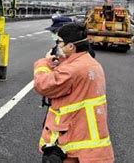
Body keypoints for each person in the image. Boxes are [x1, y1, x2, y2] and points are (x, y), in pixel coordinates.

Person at [33, 23, 114, 163]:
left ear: (70, 46)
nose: (56, 45)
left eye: (59, 42)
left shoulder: (72, 70)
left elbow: (43, 85)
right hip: (89, 141)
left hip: (73, 143)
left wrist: (44, 63)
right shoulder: (90, 62)